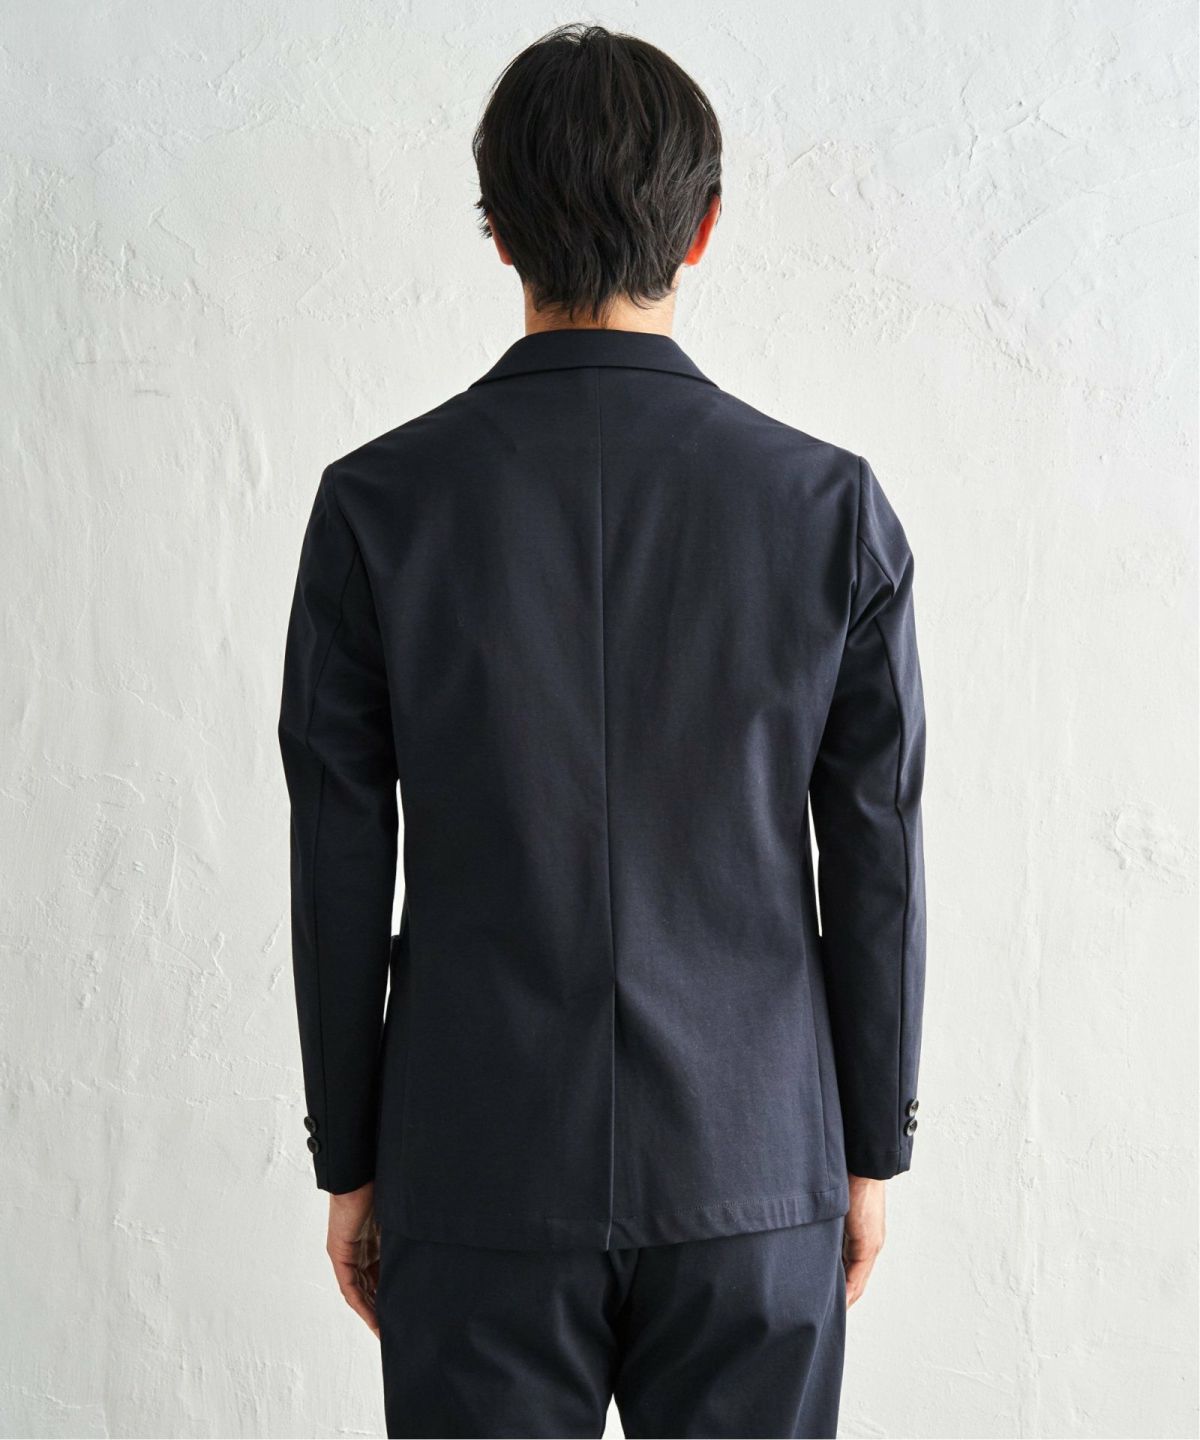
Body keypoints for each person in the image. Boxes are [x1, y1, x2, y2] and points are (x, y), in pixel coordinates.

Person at [277, 22, 927, 1440]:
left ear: (497, 231)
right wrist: (869, 1149)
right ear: (704, 230)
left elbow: (338, 861)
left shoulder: (377, 508)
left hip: (475, 1161)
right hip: (755, 1164)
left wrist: (352, 1158)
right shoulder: (830, 512)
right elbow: (875, 855)